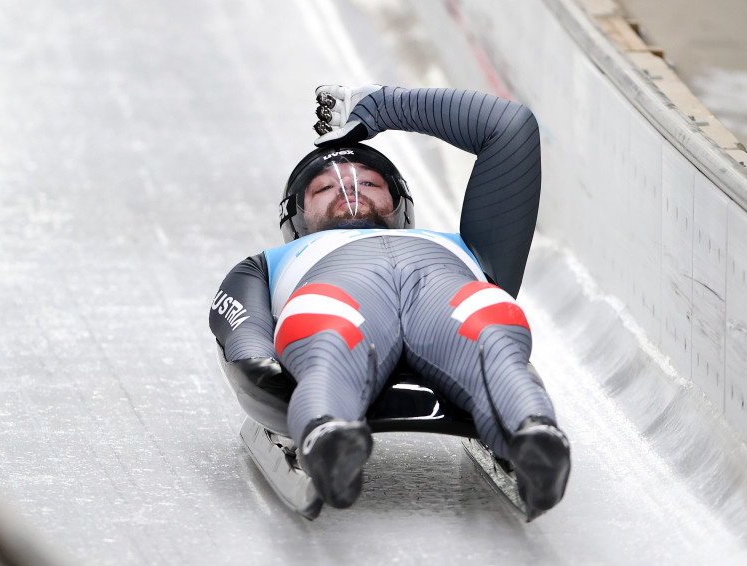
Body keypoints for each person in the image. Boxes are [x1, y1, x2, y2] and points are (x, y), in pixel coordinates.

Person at [209, 85, 571, 517]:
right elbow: (238, 323)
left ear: (399, 203)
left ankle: (536, 437)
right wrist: (258, 367)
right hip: (337, 293)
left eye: (369, 183)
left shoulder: (472, 249)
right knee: (328, 340)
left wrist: (380, 107)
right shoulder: (270, 263)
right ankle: (331, 437)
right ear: (297, 218)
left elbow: (509, 127)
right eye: (324, 189)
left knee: (490, 338)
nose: (349, 191)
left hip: (447, 289)